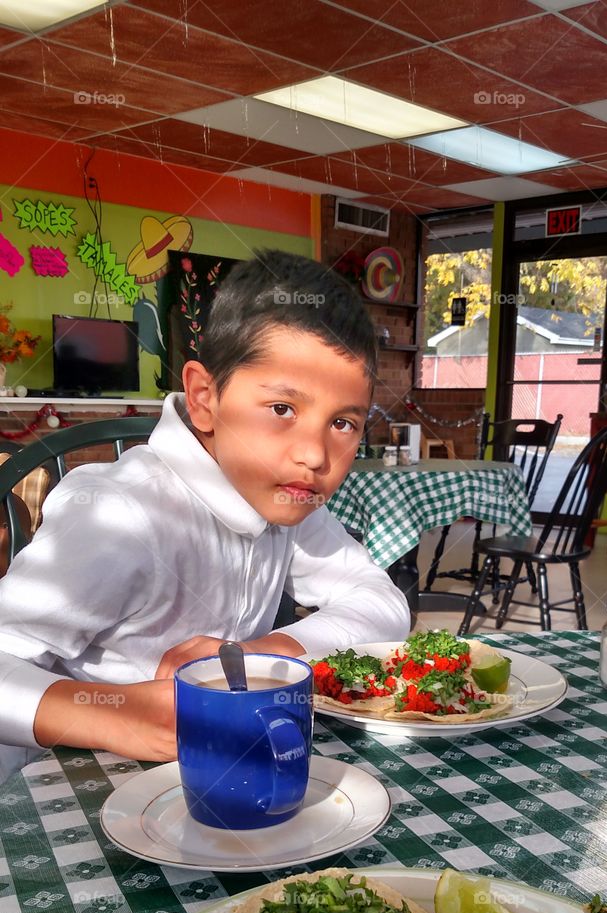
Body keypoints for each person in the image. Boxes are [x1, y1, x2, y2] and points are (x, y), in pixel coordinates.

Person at [0, 250, 410, 782]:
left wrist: (270, 652)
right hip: (60, 789)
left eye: (344, 423)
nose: (314, 455)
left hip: (211, 777)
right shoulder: (119, 514)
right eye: (282, 409)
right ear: (204, 397)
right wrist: (113, 712)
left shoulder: (290, 500)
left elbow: (384, 603)